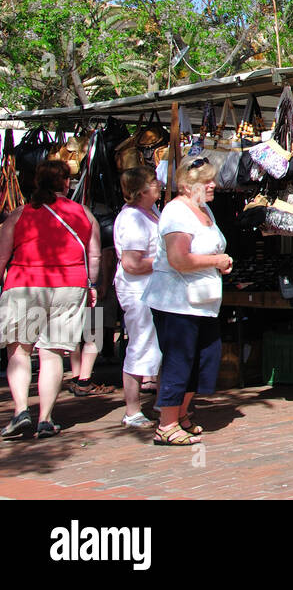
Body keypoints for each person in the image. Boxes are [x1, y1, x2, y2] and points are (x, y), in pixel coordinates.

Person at [0, 158, 101, 439]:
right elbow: (93, 255)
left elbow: (2, 254)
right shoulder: (83, 213)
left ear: (36, 182)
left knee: (20, 350)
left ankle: (21, 411)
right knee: (52, 351)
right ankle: (45, 418)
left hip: (24, 284)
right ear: (67, 183)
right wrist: (92, 283)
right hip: (70, 286)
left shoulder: (20, 214)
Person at [142, 156, 233, 446]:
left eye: (212, 179)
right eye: (206, 181)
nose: (213, 185)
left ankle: (181, 414)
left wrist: (218, 263)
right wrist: (216, 260)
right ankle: (166, 424)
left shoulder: (204, 209)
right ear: (185, 184)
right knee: (179, 359)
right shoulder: (176, 212)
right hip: (176, 302)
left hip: (203, 302)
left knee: (205, 357)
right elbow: (178, 258)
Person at [113, 167, 164, 429]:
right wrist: (166, 260)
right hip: (139, 290)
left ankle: (162, 402)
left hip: (155, 289)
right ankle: (132, 410)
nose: (159, 185)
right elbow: (132, 263)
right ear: (142, 189)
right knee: (141, 344)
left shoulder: (152, 212)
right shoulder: (133, 218)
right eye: (154, 182)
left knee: (160, 345)